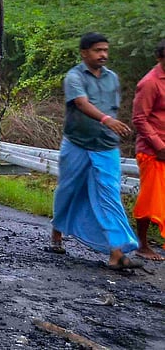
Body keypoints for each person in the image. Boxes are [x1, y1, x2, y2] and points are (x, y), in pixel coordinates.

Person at [49, 32, 140, 269]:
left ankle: (116, 252)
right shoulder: (74, 76)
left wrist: (109, 126)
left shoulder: (112, 78)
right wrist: (106, 120)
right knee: (69, 190)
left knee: (109, 197)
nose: (103, 55)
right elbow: (81, 102)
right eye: (98, 50)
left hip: (106, 146)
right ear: (84, 52)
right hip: (77, 143)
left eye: (106, 50)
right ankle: (57, 233)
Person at [132, 39, 165, 261]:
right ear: (160, 57)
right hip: (153, 151)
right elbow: (139, 118)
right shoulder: (150, 82)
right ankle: (142, 245)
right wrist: (160, 146)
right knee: (149, 200)